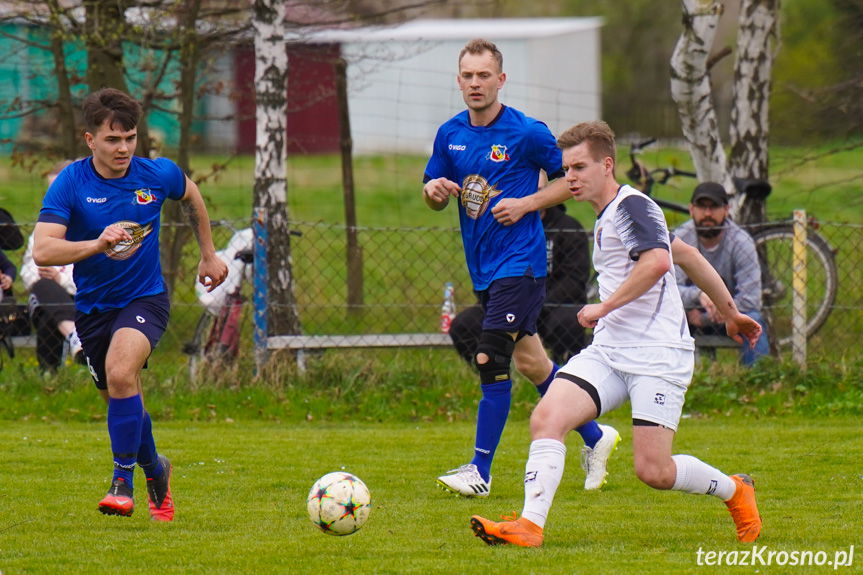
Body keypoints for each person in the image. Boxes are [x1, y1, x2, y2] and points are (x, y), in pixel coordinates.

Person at [470, 121, 763, 547]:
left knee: (654, 471)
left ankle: (735, 490)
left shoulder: (632, 208)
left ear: (606, 165)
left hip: (657, 354)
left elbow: (658, 263)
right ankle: (529, 525)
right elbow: (687, 255)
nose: (570, 177)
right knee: (547, 418)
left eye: (580, 167)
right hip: (609, 350)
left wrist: (604, 307)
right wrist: (732, 313)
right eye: (567, 169)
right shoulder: (610, 213)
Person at [423, 39, 618, 498]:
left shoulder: (527, 132)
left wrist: (527, 203)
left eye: (484, 75)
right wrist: (433, 192)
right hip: (485, 269)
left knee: (491, 356)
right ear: (458, 81)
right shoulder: (449, 134)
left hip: (522, 266)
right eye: (468, 76)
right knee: (533, 364)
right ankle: (595, 436)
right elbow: (433, 191)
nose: (475, 83)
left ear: (501, 80)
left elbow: (572, 182)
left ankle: (480, 471)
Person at [33, 88, 228, 521]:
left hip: (145, 299)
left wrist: (209, 254)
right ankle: (156, 468)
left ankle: (122, 483)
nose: (123, 148)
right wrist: (96, 244)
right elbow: (43, 250)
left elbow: (191, 194)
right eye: (112, 139)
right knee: (122, 399)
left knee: (123, 373)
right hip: (93, 310)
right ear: (90, 140)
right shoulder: (72, 183)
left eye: (130, 138)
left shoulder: (155, 175)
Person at [450, 181, 589, 366]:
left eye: (538, 191)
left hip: (552, 307)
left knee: (568, 322)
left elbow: (573, 280)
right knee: (464, 324)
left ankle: (565, 371)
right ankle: (492, 369)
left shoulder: (568, 227)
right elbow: (485, 274)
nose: (531, 194)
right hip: (505, 304)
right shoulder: (499, 227)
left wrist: (535, 305)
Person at [673, 182, 769, 365]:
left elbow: (751, 299)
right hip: (688, 315)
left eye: (714, 207)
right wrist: (699, 295)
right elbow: (668, 290)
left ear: (726, 210)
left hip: (730, 316)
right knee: (665, 320)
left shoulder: (742, 242)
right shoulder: (680, 240)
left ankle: (758, 377)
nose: (707, 213)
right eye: (702, 206)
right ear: (691, 209)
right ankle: (668, 377)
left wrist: (713, 314)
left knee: (754, 320)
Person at [21, 160, 83, 371]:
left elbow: (96, 273)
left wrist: (60, 280)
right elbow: (28, 270)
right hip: (46, 294)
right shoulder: (45, 227)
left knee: (48, 305)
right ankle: (74, 336)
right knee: (42, 288)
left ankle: (50, 373)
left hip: (81, 296)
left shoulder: (91, 227)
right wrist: (46, 277)